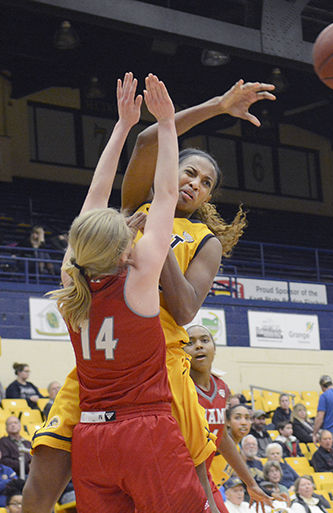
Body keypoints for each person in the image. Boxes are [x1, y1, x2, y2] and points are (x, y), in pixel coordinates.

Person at [24, 77, 276, 513]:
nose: (195, 183)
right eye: (190, 172)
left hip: (160, 364)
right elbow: (147, 141)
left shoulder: (202, 240)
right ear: (173, 168)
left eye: (206, 183)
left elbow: (183, 309)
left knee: (193, 486)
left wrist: (157, 254)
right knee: (43, 477)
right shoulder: (141, 205)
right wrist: (216, 104)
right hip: (106, 371)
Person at [44, 73, 220, 512]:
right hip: (144, 431)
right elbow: (163, 194)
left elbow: (95, 198)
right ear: (127, 248)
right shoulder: (140, 284)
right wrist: (162, 122)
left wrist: (124, 126)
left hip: (91, 437)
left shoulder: (71, 282)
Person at [184, 324, 271, 510]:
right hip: (180, 477)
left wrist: (251, 483)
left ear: (214, 349)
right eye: (190, 342)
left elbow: (222, 437)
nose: (199, 346)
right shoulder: (180, 387)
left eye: (205, 340)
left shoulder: (222, 387)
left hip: (205, 478)